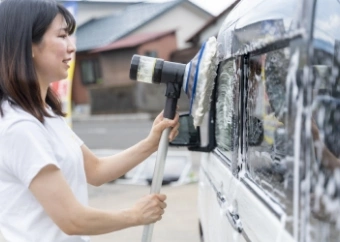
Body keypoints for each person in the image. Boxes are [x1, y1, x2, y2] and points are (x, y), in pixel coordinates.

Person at [0, 0, 180, 241]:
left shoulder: (46, 115)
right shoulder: (20, 127)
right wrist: (135, 215)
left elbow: (96, 171)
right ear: (28, 45)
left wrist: (151, 142)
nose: (71, 47)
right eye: (62, 36)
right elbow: (72, 219)